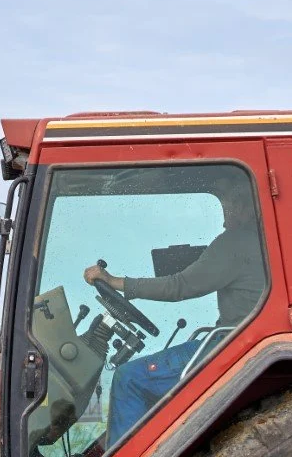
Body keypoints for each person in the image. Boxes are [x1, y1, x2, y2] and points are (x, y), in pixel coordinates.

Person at [83, 182, 264, 443]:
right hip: (241, 340)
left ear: (248, 205)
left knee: (129, 378)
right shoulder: (260, 243)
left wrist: (114, 282)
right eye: (225, 203)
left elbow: (180, 286)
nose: (227, 213)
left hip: (233, 346)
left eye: (231, 203)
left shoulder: (237, 242)